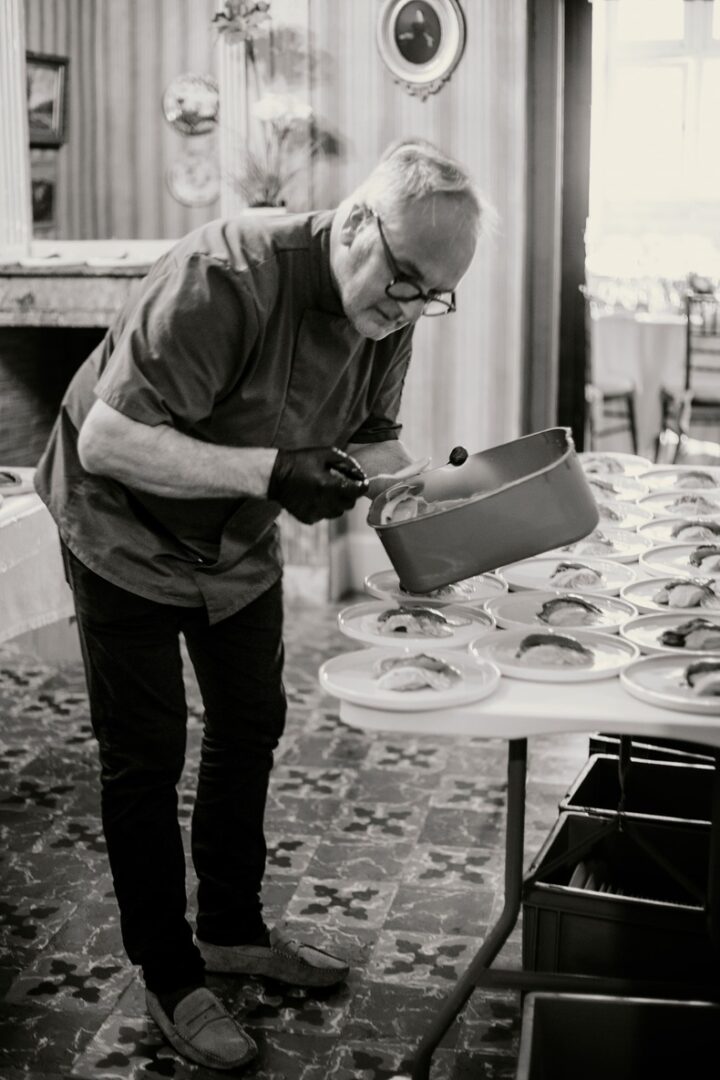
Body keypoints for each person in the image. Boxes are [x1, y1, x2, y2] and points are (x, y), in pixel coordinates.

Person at [35, 137, 487, 1070]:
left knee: (251, 721)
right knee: (146, 757)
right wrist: (276, 472)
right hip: (120, 524)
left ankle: (231, 928)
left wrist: (447, 525)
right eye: (404, 281)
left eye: (431, 297)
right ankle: (168, 973)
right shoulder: (224, 273)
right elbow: (111, 442)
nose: (408, 309)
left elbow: (378, 448)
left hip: (234, 537)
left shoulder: (391, 316)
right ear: (357, 224)